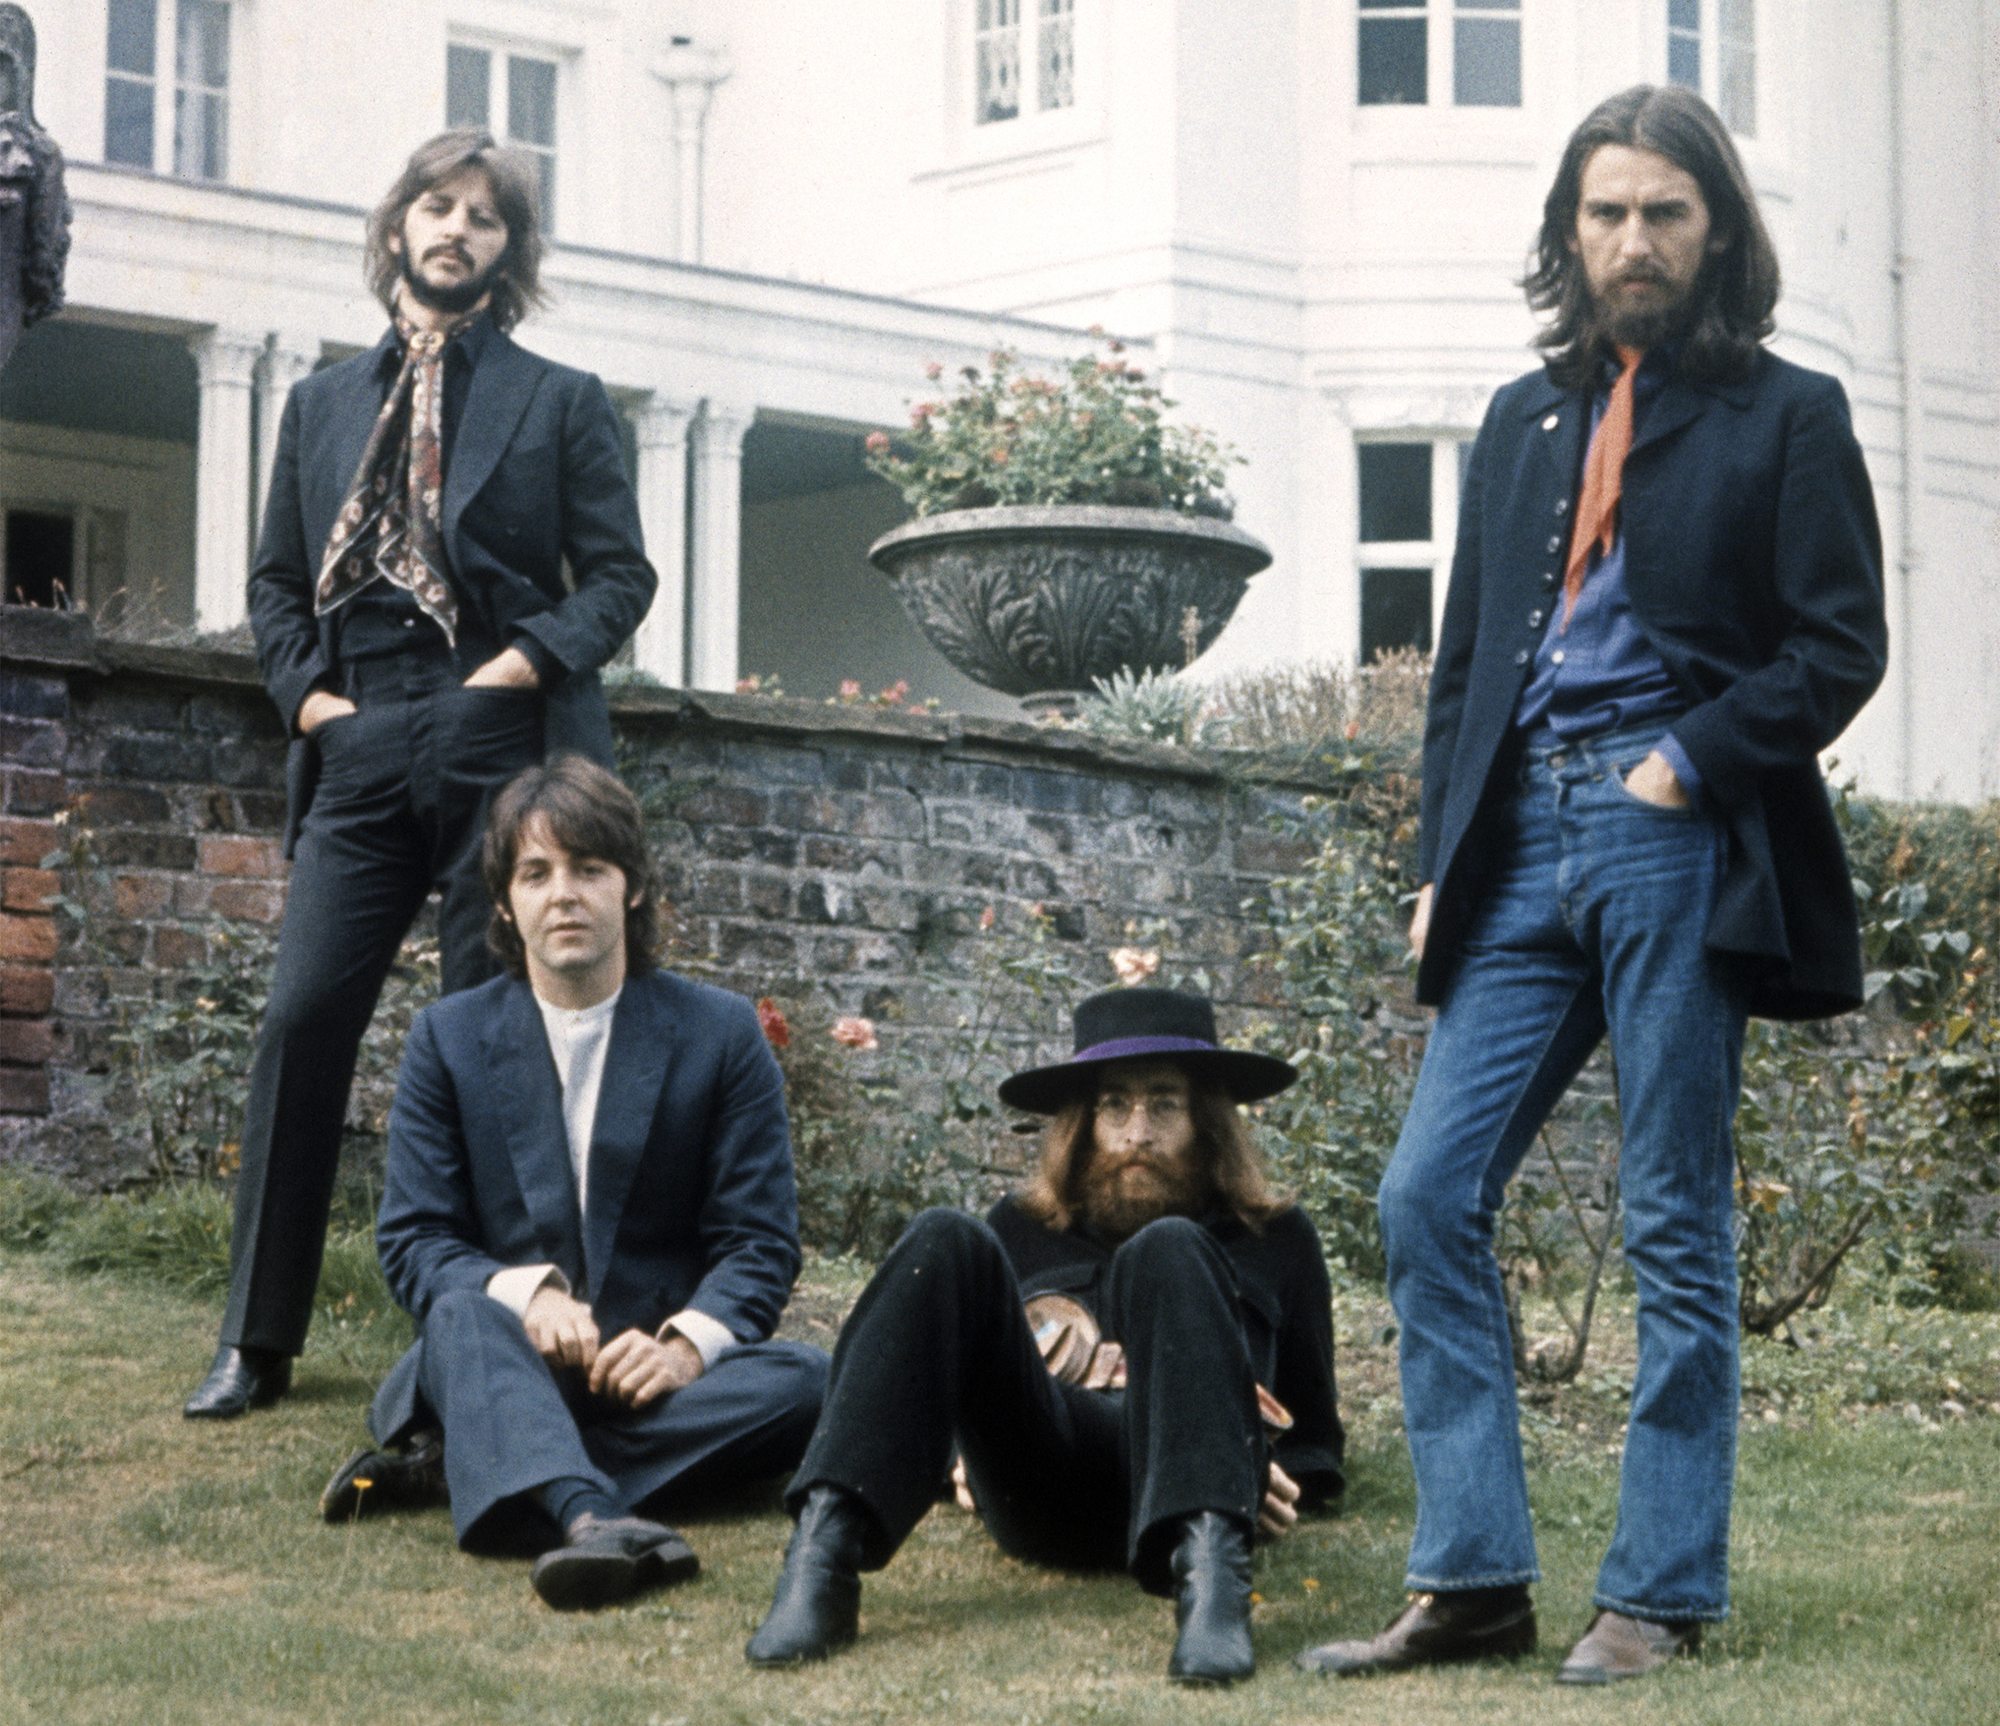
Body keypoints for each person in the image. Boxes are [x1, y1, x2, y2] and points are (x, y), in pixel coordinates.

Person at [1295, 85, 1886, 1687]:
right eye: (1609, 210)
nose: (1635, 239)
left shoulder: (1791, 415)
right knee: (1426, 1191)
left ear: (1717, 232)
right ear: (1571, 228)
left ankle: (1661, 1586)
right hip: (1520, 843)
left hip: (1673, 826)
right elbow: (1469, 665)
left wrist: (1688, 759)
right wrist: (1442, 858)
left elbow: (1840, 649)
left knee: (1677, 1217)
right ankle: (1475, 1574)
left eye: (1666, 213)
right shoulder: (1518, 419)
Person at [185, 129, 656, 1419]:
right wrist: (316, 704)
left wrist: (511, 672)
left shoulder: (559, 398)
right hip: (360, 741)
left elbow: (620, 577)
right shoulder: (319, 403)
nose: (457, 230)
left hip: (497, 740)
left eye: (485, 218)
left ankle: (502, 1335)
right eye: (437, 208)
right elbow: (279, 585)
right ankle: (255, 1338)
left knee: (488, 1039)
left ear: (511, 253)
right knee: (299, 1024)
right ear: (397, 226)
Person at [315, 756, 827, 1611]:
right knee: (463, 1311)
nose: (564, 894)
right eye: (536, 872)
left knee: (811, 1380)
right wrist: (535, 1297)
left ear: (630, 887)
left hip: (644, 1384)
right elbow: (413, 1241)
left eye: (590, 868)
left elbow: (759, 1241)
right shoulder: (449, 1038)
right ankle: (590, 1516)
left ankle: (478, 1466)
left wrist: (683, 1348)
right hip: (501, 1354)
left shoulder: (721, 1033)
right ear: (506, 901)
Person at [745, 987, 1344, 1686]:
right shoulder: (1022, 1228)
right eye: (1114, 1105)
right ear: (1082, 1122)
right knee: (941, 1236)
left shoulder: (1277, 1240)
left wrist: (1269, 1477)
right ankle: (823, 1562)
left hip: (1192, 1495)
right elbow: (933, 1381)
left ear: (1208, 1121)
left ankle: (1214, 1594)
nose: (1137, 1133)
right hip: (1042, 1483)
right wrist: (954, 1461)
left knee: (1171, 1245)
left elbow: (1316, 1443)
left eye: (1165, 1104)